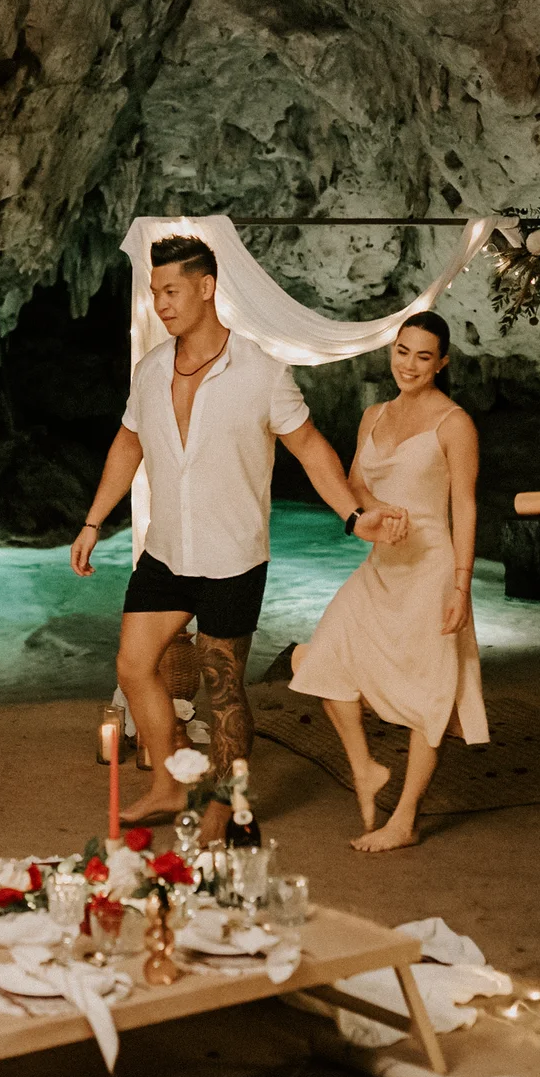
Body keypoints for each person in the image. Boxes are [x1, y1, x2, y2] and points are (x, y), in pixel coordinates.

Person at [70, 235, 407, 826]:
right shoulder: (150, 370)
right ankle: (174, 785)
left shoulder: (261, 371)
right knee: (132, 665)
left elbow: (310, 449)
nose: (161, 304)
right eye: (155, 293)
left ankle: (225, 806)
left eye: (171, 290)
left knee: (222, 687)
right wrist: (94, 520)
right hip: (166, 552)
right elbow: (128, 442)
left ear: (206, 288)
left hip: (233, 557)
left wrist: (353, 515)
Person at [289, 311, 489, 852]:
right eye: (403, 351)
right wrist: (379, 510)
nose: (410, 364)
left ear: (442, 362)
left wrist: (461, 587)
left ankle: (404, 819)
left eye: (424, 356)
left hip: (432, 571)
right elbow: (354, 485)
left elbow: (465, 507)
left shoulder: (455, 424)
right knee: (317, 660)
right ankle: (365, 767)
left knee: (430, 691)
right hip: (382, 566)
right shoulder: (373, 415)